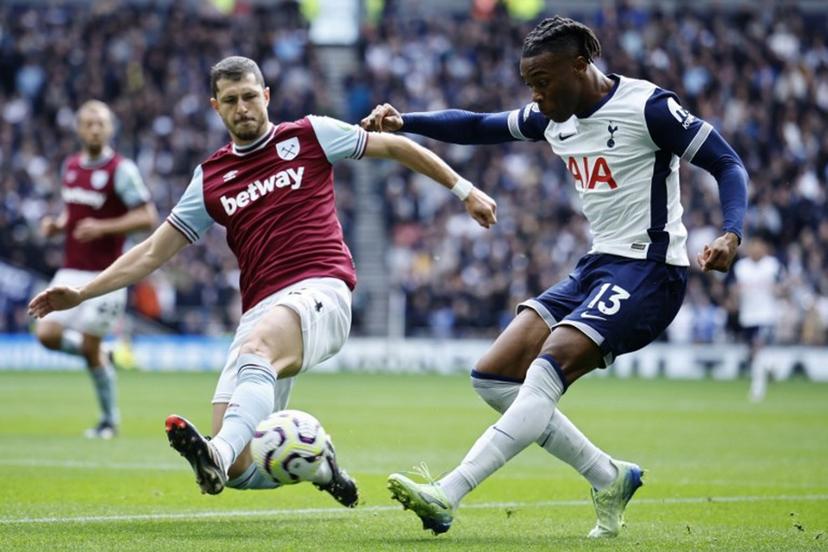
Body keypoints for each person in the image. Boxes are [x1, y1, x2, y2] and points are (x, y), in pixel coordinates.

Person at [29, 56, 497, 506]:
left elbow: (394, 145)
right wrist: (82, 292)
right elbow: (152, 250)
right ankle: (318, 465)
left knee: (243, 390)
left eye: (250, 96)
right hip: (260, 311)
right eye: (230, 100)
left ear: (267, 95)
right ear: (216, 106)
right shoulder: (210, 178)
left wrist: (465, 190)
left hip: (321, 289)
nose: (242, 108)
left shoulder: (310, 134)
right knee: (237, 471)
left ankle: (215, 450)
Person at [362, 16, 747, 537]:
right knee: (495, 377)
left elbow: (727, 163)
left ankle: (447, 493)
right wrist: (407, 121)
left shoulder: (648, 108)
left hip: (651, 272)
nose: (536, 96)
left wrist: (730, 233)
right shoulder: (552, 117)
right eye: (530, 86)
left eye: (543, 82)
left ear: (580, 64)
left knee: (547, 368)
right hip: (597, 266)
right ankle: (609, 476)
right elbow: (478, 126)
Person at [35, 100, 158, 439]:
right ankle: (104, 354)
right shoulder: (71, 166)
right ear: (78, 128)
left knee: (88, 349)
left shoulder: (122, 169)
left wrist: (102, 228)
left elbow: (147, 217)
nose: (94, 129)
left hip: (108, 276)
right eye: (88, 123)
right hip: (71, 268)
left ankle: (109, 421)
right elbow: (75, 213)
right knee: (46, 334)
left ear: (110, 129)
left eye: (100, 123)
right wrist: (58, 226)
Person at [731, 233, 783, 401]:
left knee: (758, 349)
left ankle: (757, 389)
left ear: (765, 248)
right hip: (747, 316)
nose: (756, 249)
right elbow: (734, 290)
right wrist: (735, 295)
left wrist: (779, 289)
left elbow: (782, 287)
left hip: (765, 315)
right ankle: (772, 367)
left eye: (759, 246)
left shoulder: (772, 266)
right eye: (753, 245)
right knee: (754, 354)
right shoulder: (741, 267)